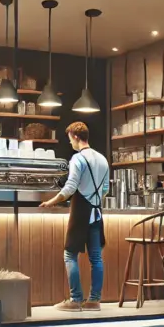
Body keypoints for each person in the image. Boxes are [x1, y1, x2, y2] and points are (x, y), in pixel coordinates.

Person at [40, 121, 110, 312]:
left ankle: (75, 299)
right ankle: (94, 300)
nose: (70, 142)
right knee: (96, 257)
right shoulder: (103, 159)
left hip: (80, 212)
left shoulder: (77, 159)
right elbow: (105, 189)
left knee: (70, 254)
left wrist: (51, 202)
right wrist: (93, 199)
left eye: (70, 138)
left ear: (76, 137)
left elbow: (70, 188)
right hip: (96, 212)